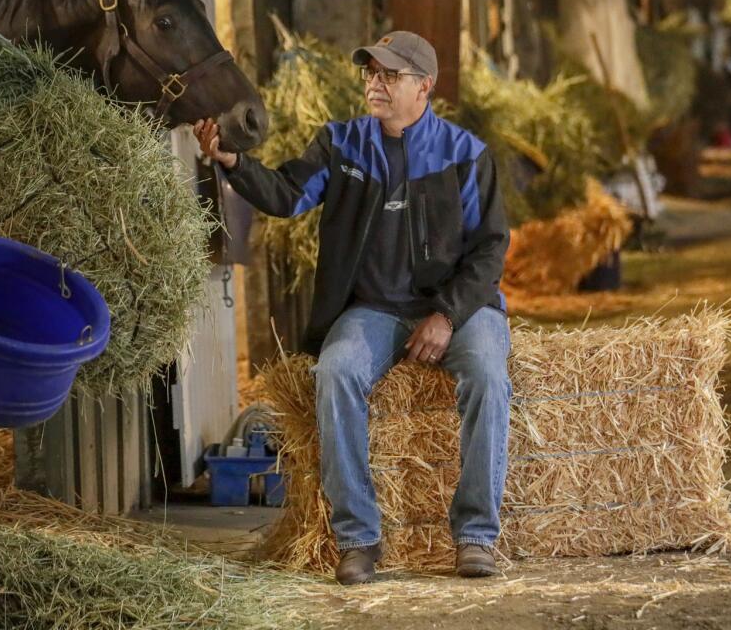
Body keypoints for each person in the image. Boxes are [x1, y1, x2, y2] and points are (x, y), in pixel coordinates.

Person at [193, 31, 512, 586]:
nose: (375, 83)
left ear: (425, 86)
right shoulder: (342, 145)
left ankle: (476, 534)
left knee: (487, 372)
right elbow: (287, 195)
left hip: (458, 306)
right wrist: (232, 162)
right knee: (337, 370)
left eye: (390, 75)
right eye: (370, 73)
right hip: (376, 308)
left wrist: (448, 316)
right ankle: (358, 538)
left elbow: (490, 249)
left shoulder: (465, 154)